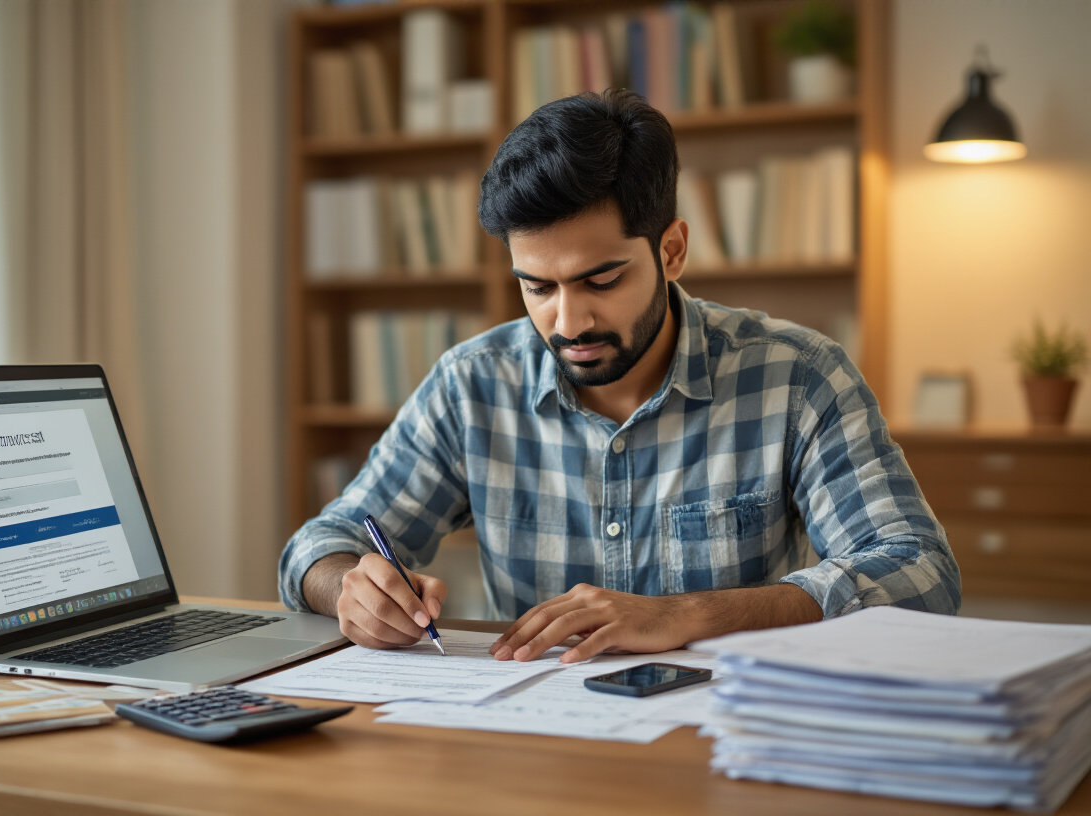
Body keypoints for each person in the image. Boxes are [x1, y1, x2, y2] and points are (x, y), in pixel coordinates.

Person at [278, 89, 960, 665]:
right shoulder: (472, 386)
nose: (568, 321)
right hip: (532, 741)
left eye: (600, 279)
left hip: (728, 738)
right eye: (537, 287)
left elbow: (919, 571)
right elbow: (319, 545)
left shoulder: (797, 377)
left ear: (671, 250)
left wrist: (686, 616)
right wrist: (349, 590)